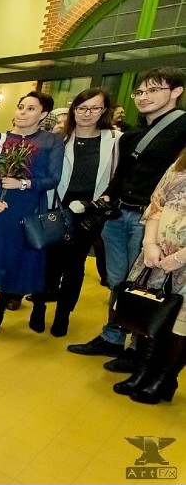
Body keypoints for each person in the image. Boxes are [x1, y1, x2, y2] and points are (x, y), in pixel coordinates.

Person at [68, 67, 186, 368]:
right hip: (119, 213)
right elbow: (121, 175)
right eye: (140, 92)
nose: (144, 97)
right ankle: (113, 337)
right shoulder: (132, 134)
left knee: (146, 285)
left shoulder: (183, 127)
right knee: (118, 281)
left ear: (176, 92)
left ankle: (139, 349)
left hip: (153, 221)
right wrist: (106, 199)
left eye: (153, 90)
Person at [0, 91, 65, 334]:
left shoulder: (51, 141)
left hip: (27, 209)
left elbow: (53, 178)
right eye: (20, 107)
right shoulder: (0, 138)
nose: (22, 113)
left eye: (30, 109)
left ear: (43, 114)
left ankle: (0, 309)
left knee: (16, 260)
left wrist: (24, 183)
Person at [29, 88, 121, 337]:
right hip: (56, 209)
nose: (86, 113)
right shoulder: (59, 139)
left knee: (74, 266)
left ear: (104, 111)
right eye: (81, 108)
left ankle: (63, 314)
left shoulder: (115, 140)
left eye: (94, 108)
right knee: (48, 262)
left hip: (89, 214)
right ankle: (38, 306)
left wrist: (104, 201)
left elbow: (118, 178)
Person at [111, 150, 186, 404]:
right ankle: (143, 371)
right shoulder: (180, 162)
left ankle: (164, 379)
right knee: (149, 313)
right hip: (157, 255)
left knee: (180, 325)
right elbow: (157, 204)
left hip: (182, 261)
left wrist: (178, 258)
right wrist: (149, 244)